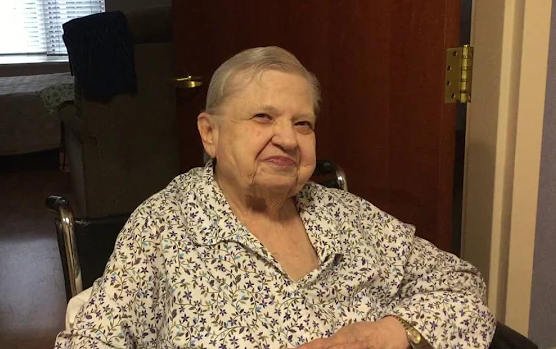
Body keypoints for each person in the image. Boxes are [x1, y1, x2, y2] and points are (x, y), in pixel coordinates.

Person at [55, 46, 495, 349]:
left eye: (303, 124)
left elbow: (461, 285)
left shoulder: (346, 214)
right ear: (210, 133)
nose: (288, 139)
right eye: (263, 117)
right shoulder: (166, 225)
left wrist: (393, 331)